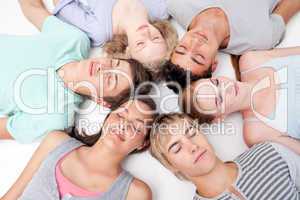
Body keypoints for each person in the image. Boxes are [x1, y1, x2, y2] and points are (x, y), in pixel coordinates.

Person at [0, 0, 152, 143]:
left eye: (109, 79)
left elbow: (5, 129)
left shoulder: (56, 116)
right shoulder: (75, 40)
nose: (103, 67)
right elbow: (33, 9)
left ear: (101, 100)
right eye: (113, 63)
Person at [1, 98, 157, 200]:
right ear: (108, 118)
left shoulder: (135, 192)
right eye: (121, 115)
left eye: (136, 126)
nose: (123, 125)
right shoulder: (56, 142)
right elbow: (11, 196)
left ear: (142, 144)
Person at [150, 113, 300, 200]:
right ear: (170, 165)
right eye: (177, 148)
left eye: (191, 133)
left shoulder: (269, 153)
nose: (192, 146)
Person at [181, 47, 300, 154]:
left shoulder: (251, 60)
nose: (227, 88)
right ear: (219, 118)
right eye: (219, 99)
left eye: (216, 83)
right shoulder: (255, 133)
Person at [163, 0, 300, 90]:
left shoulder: (177, 4)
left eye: (182, 49)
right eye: (199, 57)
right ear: (213, 65)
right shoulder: (258, 39)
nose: (195, 43)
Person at [52, 0, 178, 75]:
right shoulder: (160, 10)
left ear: (128, 51)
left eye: (140, 44)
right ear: (163, 35)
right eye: (156, 38)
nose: (146, 33)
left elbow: (62, 4)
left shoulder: (100, 31)